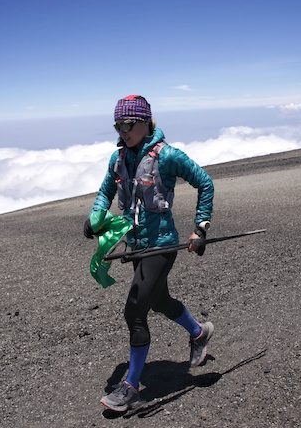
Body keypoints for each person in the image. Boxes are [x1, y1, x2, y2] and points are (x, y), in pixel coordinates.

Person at [83, 94, 215, 412]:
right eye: (118, 125)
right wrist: (95, 215)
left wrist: (200, 228)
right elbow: (105, 191)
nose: (122, 130)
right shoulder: (118, 160)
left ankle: (130, 388)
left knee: (134, 311)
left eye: (128, 124)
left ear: (145, 121)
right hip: (136, 247)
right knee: (159, 301)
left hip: (162, 245)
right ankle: (199, 333)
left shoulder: (167, 155)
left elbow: (205, 183)